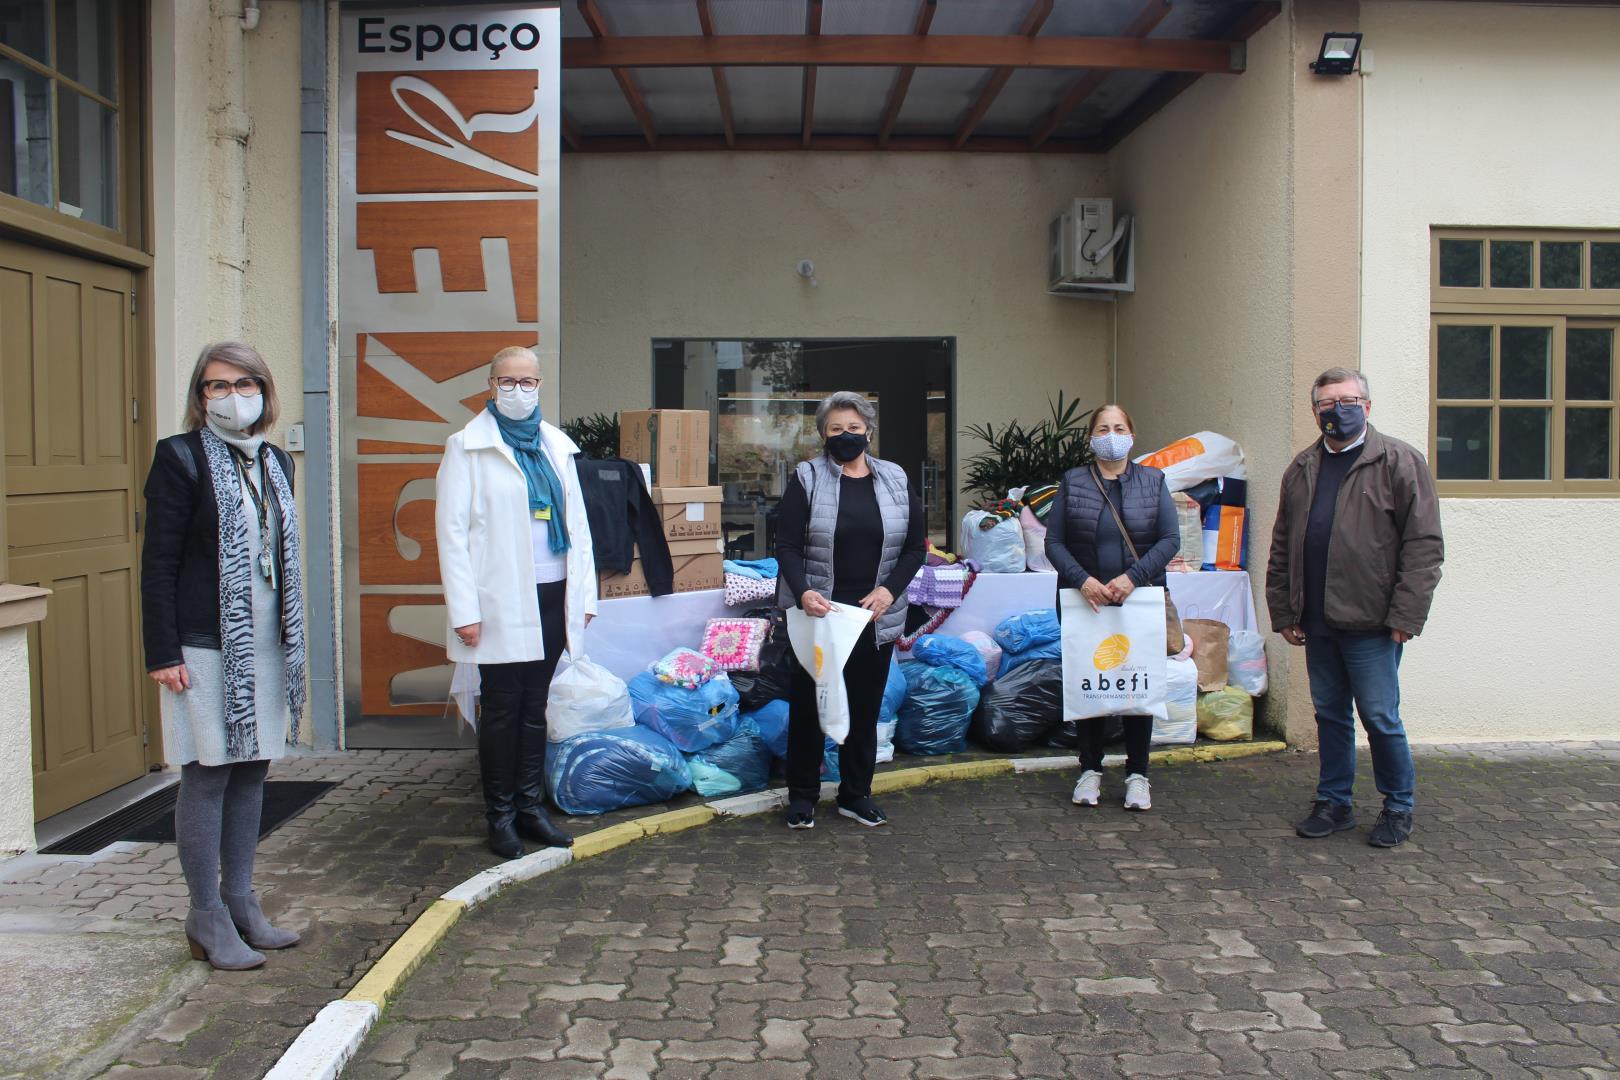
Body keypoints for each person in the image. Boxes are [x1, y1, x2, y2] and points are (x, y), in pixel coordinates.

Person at [142, 342, 305, 971]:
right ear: (199, 396)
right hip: (205, 644)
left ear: (264, 390)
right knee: (208, 773)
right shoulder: (179, 459)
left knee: (252, 770)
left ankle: (241, 901)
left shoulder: (275, 461)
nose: (232, 395)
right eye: (216, 386)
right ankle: (205, 913)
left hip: (266, 643)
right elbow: (158, 562)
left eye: (244, 383)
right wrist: (163, 650)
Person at [1267, 367, 1443, 849]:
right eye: (1328, 402)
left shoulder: (1400, 461)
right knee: (1330, 714)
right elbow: (1282, 544)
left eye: (1348, 400)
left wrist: (1407, 616)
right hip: (1317, 620)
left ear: (1367, 406)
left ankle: (1397, 806)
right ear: (1315, 410)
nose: (1337, 410)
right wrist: (1283, 610)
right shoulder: (1302, 468)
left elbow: (1424, 546)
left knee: (1380, 716)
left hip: (1374, 622)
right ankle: (1335, 802)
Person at [436, 347, 597, 859]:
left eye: (527, 381)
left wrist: (584, 596)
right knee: (502, 708)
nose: (518, 390)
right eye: (508, 381)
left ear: (540, 385)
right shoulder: (466, 448)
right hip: (499, 599)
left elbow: (580, 529)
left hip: (553, 591)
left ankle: (531, 809)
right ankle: (500, 814)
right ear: (490, 384)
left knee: (535, 707)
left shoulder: (556, 446)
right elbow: (451, 534)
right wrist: (465, 611)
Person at [776, 392, 925, 829]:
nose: (846, 436)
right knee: (809, 706)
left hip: (872, 616)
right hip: (820, 614)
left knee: (863, 707)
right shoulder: (807, 477)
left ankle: (855, 794)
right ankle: (802, 795)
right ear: (823, 433)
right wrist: (803, 592)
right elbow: (786, 546)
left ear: (869, 433)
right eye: (836, 428)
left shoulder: (895, 478)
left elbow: (916, 547)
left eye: (854, 428)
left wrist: (888, 592)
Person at [1045, 404, 1178, 812]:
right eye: (1103, 428)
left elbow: (1170, 540)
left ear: (1132, 435)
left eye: (1119, 427)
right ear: (1091, 437)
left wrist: (1131, 578)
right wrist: (1083, 580)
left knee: (1136, 684)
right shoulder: (1074, 481)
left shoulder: (1153, 481)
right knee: (1091, 683)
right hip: (1086, 601)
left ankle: (1138, 775)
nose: (1111, 434)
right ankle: (1090, 769)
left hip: (1137, 600)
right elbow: (1054, 542)